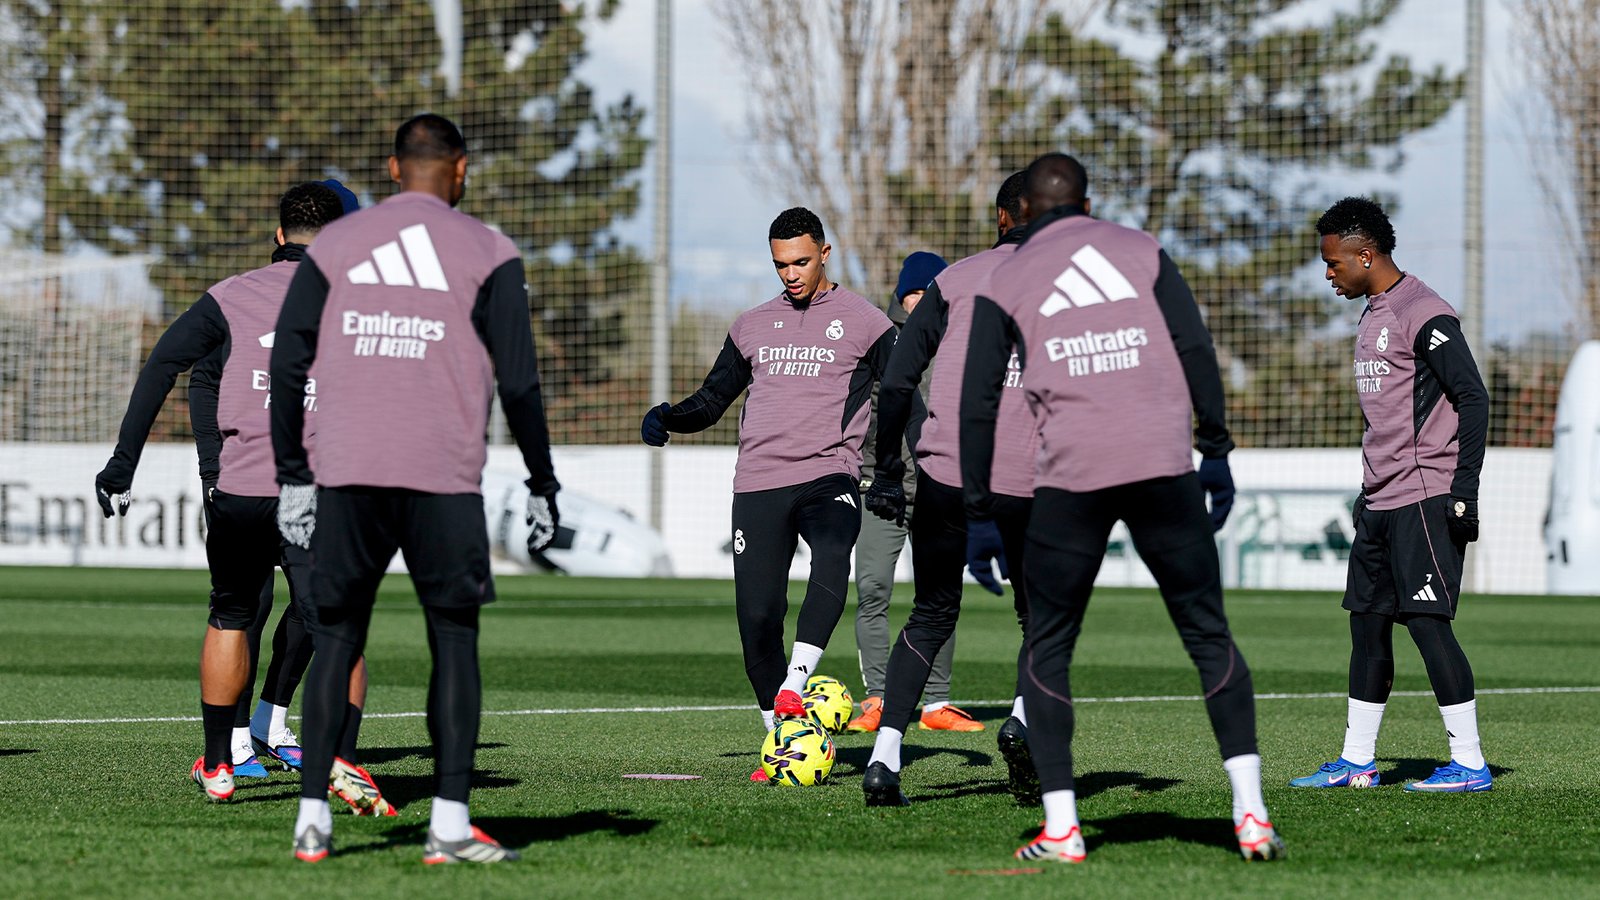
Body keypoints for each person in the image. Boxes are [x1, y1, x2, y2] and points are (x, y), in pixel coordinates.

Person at [961, 153, 1282, 863]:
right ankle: (1252, 815)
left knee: (1048, 647)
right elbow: (1195, 345)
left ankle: (1063, 829)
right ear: (1085, 200)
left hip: (1072, 476)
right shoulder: (1140, 250)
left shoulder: (1005, 275)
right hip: (1162, 466)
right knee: (1207, 634)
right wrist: (1218, 448)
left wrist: (979, 510)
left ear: (1023, 212)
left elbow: (978, 399)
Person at [271, 113, 560, 864]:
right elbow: (521, 383)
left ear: (394, 170)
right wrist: (541, 479)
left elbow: (288, 365)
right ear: (460, 169)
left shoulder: (333, 243)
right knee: (454, 643)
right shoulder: (490, 249)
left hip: (347, 473)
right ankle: (450, 827)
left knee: (336, 638)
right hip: (442, 477)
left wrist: (294, 475)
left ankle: (312, 823)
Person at [94, 181, 383, 810]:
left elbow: (161, 366)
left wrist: (122, 464)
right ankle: (343, 757)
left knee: (231, 614)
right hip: (321, 492)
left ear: (278, 235)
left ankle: (222, 762)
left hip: (242, 485)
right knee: (338, 621)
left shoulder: (229, 295)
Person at [640, 207, 896, 778]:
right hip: (758, 483)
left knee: (834, 553)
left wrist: (898, 467)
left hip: (829, 475)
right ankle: (785, 739)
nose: (791, 274)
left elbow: (903, 391)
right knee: (757, 618)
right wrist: (669, 417)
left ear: (824, 254)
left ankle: (797, 682)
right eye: (781, 264)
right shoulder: (751, 325)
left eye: (801, 261)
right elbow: (712, 401)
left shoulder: (866, 321)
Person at [1289, 197, 1491, 793]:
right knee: (1367, 625)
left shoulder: (1423, 312)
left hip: (1425, 497)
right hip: (1379, 501)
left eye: (1333, 263)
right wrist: (1368, 491)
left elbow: (1473, 396)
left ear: (1365, 254)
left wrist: (1463, 492)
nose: (1329, 273)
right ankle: (1358, 760)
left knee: (1428, 625)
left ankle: (1471, 763)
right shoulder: (1373, 312)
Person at [860, 172, 1038, 807]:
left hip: (941, 474)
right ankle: (1021, 720)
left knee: (932, 612)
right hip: (1029, 480)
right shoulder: (1076, 288)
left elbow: (901, 381)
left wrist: (887, 471)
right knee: (1039, 618)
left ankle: (883, 759)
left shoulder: (955, 279)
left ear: (1000, 219)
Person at [849, 250, 984, 735]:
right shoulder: (879, 342)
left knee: (938, 597)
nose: (921, 299)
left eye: (930, 291)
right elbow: (864, 412)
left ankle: (935, 704)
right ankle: (879, 698)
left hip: (940, 491)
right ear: (900, 295)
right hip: (882, 491)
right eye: (914, 291)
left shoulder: (964, 344)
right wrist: (866, 473)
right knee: (872, 591)